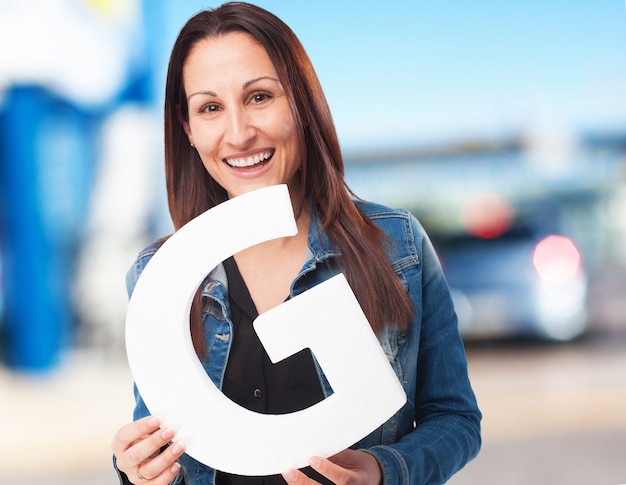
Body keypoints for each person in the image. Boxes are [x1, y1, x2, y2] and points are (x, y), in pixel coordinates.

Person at [111, 2, 481, 484]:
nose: (240, 133)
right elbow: (164, 443)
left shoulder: (398, 245)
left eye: (260, 97)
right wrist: (137, 471)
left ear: (301, 102)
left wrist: (384, 471)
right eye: (210, 108)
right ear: (188, 129)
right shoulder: (158, 275)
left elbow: (455, 420)